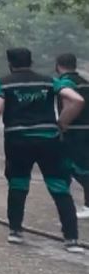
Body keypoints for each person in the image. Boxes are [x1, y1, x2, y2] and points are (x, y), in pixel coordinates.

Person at [0, 47, 84, 251]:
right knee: (59, 187)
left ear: (10, 64)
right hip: (49, 141)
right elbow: (77, 100)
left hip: (18, 141)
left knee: (18, 185)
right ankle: (72, 239)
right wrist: (61, 123)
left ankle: (16, 231)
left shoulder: (3, 82)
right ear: (31, 62)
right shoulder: (49, 81)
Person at [53, 52, 89, 220]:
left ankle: (69, 206)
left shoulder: (65, 83)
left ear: (58, 65)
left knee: (73, 167)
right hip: (86, 129)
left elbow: (70, 105)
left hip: (73, 131)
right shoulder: (85, 83)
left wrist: (60, 124)